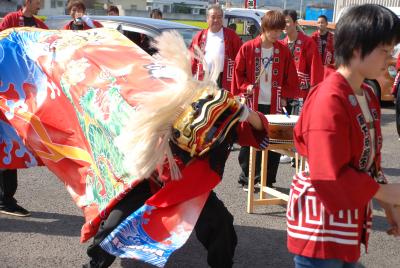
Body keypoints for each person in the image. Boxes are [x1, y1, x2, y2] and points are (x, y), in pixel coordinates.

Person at [83, 32, 270, 268]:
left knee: (220, 224)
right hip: (151, 180)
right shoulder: (164, 104)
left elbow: (260, 129)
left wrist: (244, 111)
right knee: (114, 225)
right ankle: (95, 265)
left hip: (189, 187)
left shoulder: (225, 116)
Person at [287, 4, 400, 267]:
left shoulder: (368, 94)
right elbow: (327, 174)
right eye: (385, 50)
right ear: (357, 48)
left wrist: (390, 207)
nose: (390, 58)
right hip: (321, 227)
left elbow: (370, 161)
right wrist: (385, 192)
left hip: (344, 221)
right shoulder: (329, 98)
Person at [231, 10, 299, 189]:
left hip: (275, 103)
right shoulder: (248, 48)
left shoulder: (283, 50)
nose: (277, 34)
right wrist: (246, 86)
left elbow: (290, 77)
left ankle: (267, 180)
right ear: (265, 28)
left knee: (274, 142)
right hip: (254, 101)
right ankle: (247, 178)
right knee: (250, 140)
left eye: (279, 31)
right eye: (274, 30)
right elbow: (238, 73)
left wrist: (284, 95)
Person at [0, 0, 48, 217]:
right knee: (8, 145)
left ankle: (6, 197)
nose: (42, 3)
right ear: (29, 1)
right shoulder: (11, 19)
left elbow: (50, 48)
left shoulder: (39, 24)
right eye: (39, 0)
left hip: (25, 94)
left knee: (12, 145)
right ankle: (5, 199)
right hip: (7, 90)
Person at [280, 9, 324, 115]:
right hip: (284, 95)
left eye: (287, 21)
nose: (284, 25)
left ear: (295, 23)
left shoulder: (308, 42)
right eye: (282, 22)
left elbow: (315, 70)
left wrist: (313, 95)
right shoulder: (281, 44)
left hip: (302, 94)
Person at [189, 4, 242, 90]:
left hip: (223, 78)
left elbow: (241, 57)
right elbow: (192, 60)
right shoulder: (199, 36)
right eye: (213, 17)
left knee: (222, 102)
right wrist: (189, 77)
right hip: (204, 78)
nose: (216, 20)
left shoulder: (231, 35)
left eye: (219, 17)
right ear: (207, 19)